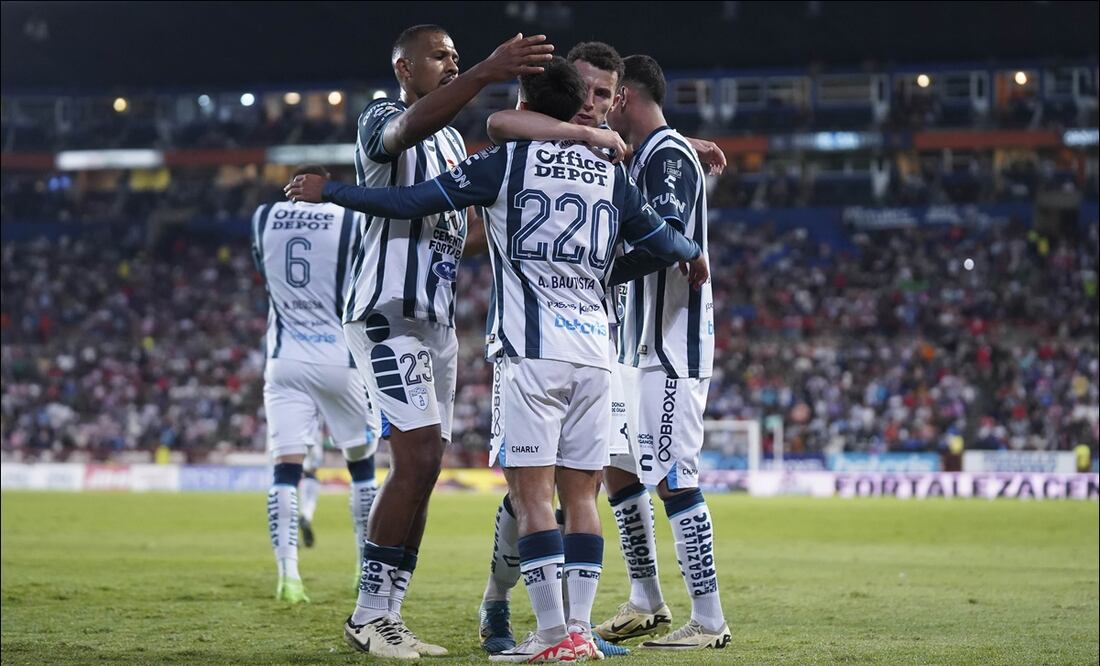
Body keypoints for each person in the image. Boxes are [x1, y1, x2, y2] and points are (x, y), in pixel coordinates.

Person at [287, 56, 708, 663]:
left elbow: (410, 202)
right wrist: (691, 249)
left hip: (531, 351)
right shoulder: (609, 177)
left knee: (531, 496)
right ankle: (580, 635)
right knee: (583, 498)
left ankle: (546, 634)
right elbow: (662, 239)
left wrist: (333, 191)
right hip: (595, 349)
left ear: (526, 99)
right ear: (576, 105)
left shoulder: (504, 159)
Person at [321, 24, 554, 659]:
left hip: (436, 325)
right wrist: (486, 70)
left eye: (456, 55)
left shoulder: (453, 141)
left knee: (424, 471)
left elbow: (465, 233)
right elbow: (403, 135)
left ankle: (388, 613)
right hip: (384, 315)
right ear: (404, 68)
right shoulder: (382, 116)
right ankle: (368, 614)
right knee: (417, 459)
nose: (452, 62)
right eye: (440, 56)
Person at [600, 54, 730, 650]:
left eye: (607, 97)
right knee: (619, 468)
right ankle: (646, 599)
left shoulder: (666, 155)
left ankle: (709, 620)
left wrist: (598, 269)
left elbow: (667, 236)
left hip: (671, 347)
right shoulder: (650, 155)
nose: (600, 107)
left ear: (624, 95)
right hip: (637, 349)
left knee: (676, 478)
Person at [251, 164, 380, 605]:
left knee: (285, 470)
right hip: (338, 358)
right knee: (362, 467)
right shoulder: (350, 218)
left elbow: (263, 274)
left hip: (284, 358)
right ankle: (365, 571)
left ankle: (288, 577)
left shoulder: (263, 218)